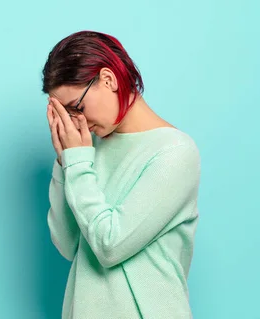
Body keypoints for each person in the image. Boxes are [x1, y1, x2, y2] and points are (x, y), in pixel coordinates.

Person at [42, 30, 201, 319]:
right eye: (64, 115)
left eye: (77, 108)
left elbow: (110, 246)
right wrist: (65, 160)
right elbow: (68, 246)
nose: (77, 121)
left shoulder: (174, 153)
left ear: (108, 79)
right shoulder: (85, 153)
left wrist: (77, 163)